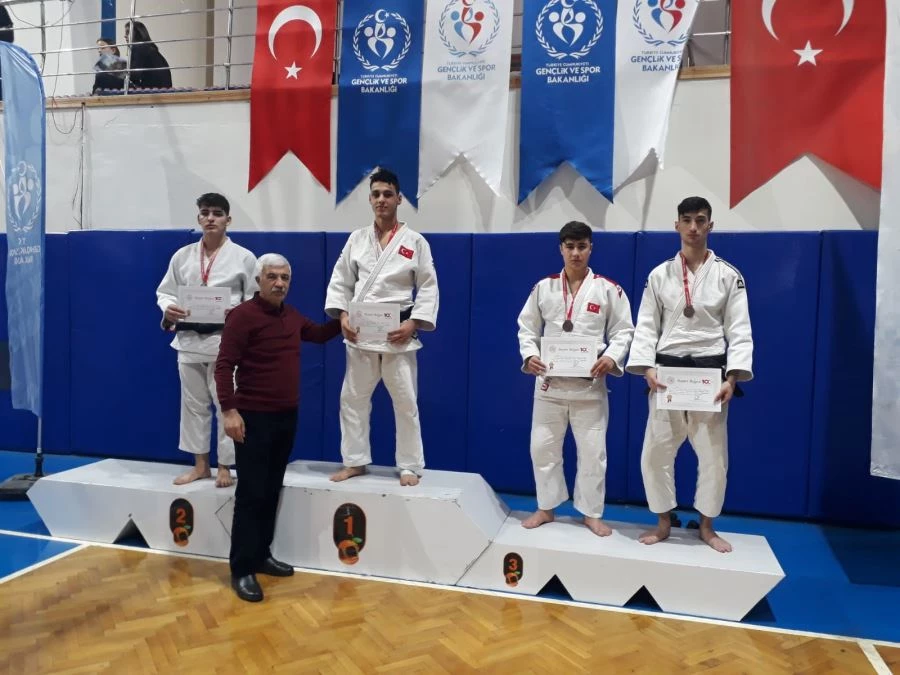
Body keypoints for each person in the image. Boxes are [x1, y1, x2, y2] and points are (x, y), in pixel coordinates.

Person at [625, 196, 753, 553]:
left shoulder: (729, 275)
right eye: (687, 220)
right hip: (666, 375)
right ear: (677, 225)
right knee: (655, 454)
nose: (693, 227)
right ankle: (664, 521)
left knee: (713, 458)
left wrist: (732, 378)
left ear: (710, 225)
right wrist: (647, 369)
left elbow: (739, 330)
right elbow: (646, 326)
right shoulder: (659, 274)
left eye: (700, 220)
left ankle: (707, 527)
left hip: (710, 377)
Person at [216, 254, 342, 602]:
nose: (279, 283)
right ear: (258, 280)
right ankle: (242, 568)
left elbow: (318, 334)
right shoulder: (242, 316)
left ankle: (261, 555)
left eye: (285, 277)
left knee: (271, 490)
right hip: (252, 418)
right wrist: (229, 411)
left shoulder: (292, 316)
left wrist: (347, 317)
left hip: (286, 417)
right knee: (251, 494)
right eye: (272, 276)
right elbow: (224, 366)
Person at [517, 222, 634, 536]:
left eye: (582, 246)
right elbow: (527, 328)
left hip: (589, 388)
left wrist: (612, 357)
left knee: (593, 454)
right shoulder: (543, 288)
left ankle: (591, 513)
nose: (576, 253)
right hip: (549, 386)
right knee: (542, 449)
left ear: (591, 248)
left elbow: (624, 330)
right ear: (561, 249)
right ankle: (546, 507)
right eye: (570, 247)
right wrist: (529, 356)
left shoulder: (608, 289)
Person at [324, 168, 439, 487]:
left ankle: (409, 465)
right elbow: (341, 281)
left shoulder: (415, 241)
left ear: (399, 199)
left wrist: (413, 322)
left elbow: (428, 286)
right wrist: (342, 316)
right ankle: (354, 461)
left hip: (398, 333)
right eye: (375, 194)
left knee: (405, 402)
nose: (381, 199)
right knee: (352, 400)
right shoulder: (356, 239)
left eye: (388, 194)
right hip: (360, 332)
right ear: (370, 199)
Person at [156, 193, 257, 488]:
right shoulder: (182, 256)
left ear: (228, 219)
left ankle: (225, 466)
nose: (210, 218)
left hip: (226, 343)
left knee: (227, 405)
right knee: (193, 406)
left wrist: (238, 311)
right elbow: (165, 292)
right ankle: (200, 465)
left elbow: (254, 299)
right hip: (188, 341)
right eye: (205, 212)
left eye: (217, 213)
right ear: (198, 218)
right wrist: (168, 308)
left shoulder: (244, 257)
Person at [124, 20, 172, 89]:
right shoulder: (149, 48)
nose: (125, 36)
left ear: (136, 34)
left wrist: (119, 69)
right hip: (163, 88)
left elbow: (134, 75)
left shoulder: (138, 47)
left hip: (153, 89)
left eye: (128, 32)